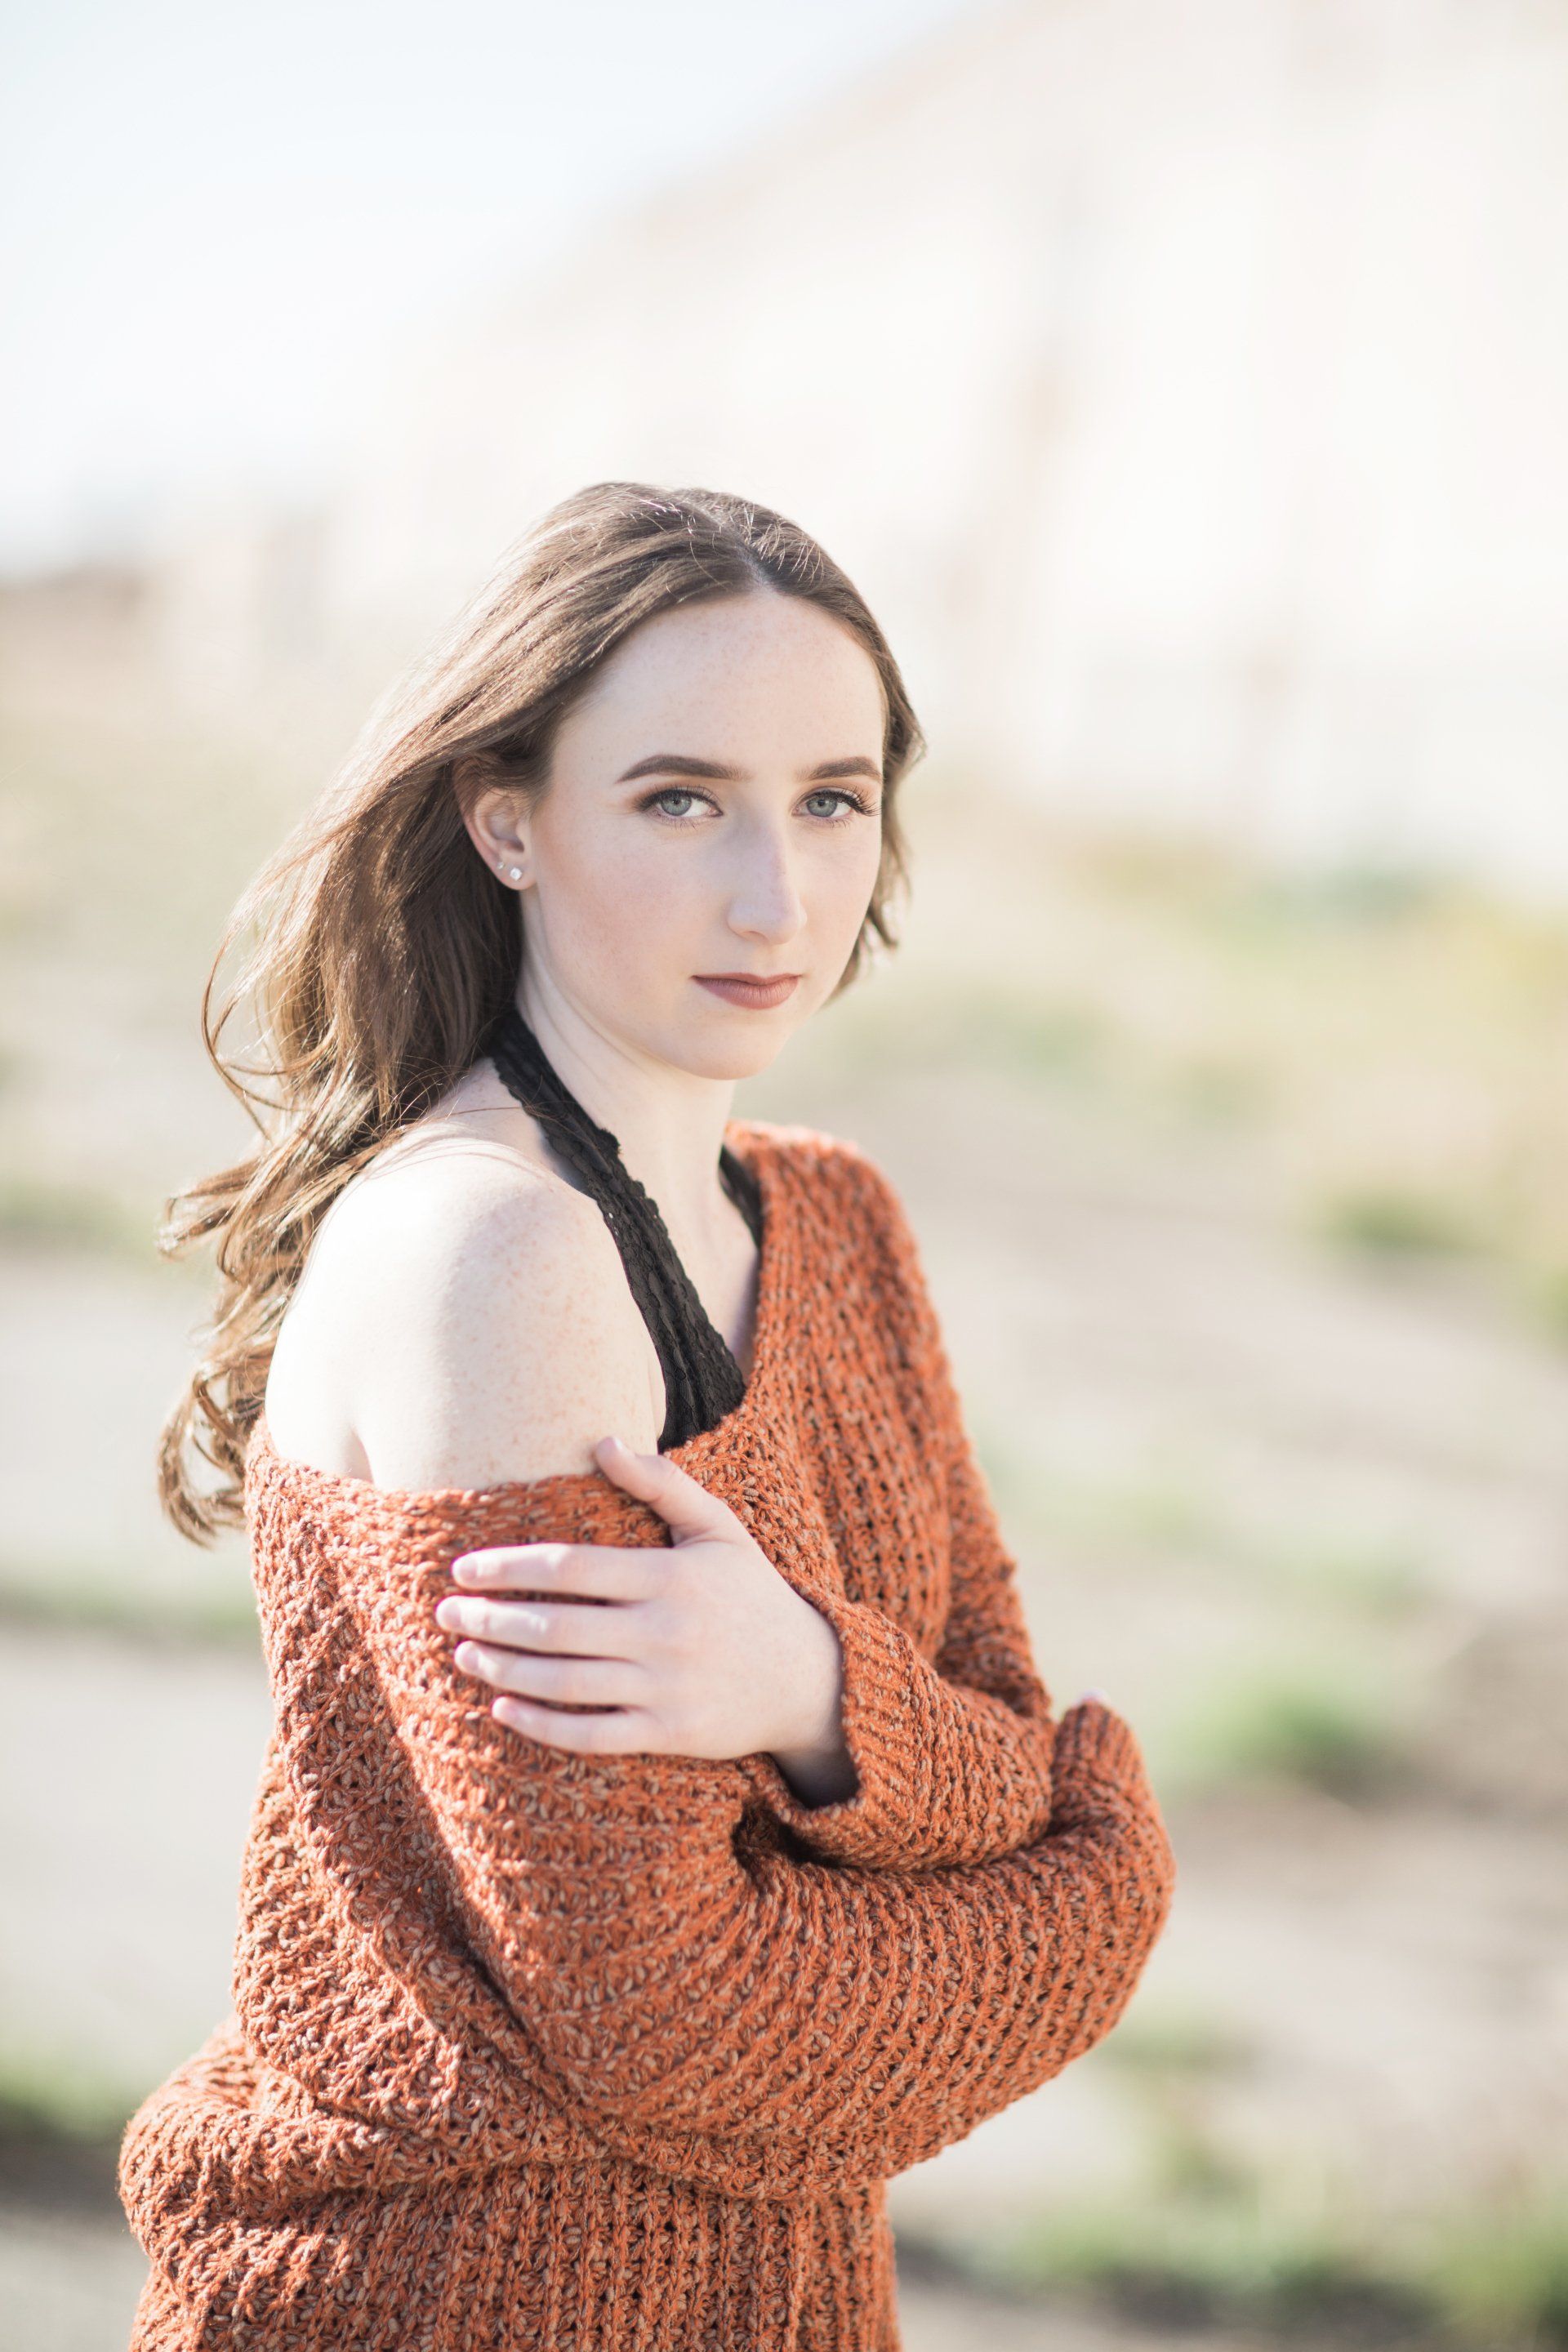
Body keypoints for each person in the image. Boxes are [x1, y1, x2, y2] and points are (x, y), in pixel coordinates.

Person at [118, 481, 1175, 2350]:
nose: (777, 897)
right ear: (506, 816)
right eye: (680, 799)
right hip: (449, 2298)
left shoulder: (832, 1218)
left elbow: (995, 1711)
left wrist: (817, 1700)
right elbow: (676, 2020)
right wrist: (1100, 1878)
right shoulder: (495, 1259)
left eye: (831, 801)